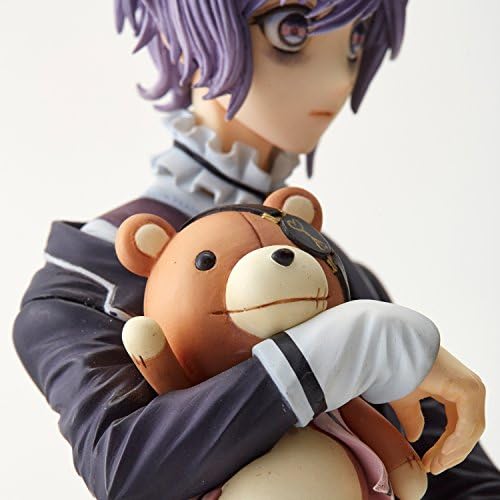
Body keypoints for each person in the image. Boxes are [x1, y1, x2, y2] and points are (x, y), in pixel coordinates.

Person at [13, 1, 499, 498]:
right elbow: (127, 468)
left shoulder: (329, 267)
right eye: (291, 31)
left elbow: (453, 473)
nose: (339, 81)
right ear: (186, 32)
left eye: (354, 42)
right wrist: (345, 348)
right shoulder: (86, 279)